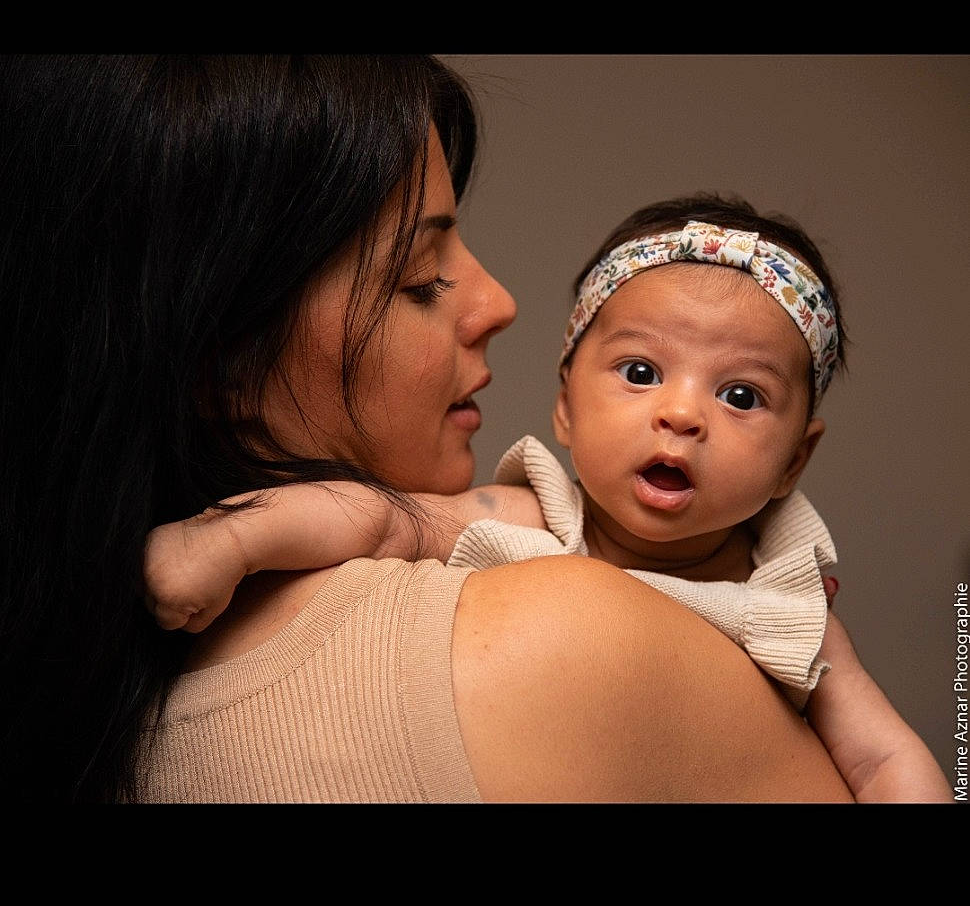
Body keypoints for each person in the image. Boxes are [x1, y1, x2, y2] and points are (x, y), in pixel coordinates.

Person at [144, 188, 951, 804]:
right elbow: (381, 520)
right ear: (564, 406)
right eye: (640, 373)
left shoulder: (789, 604)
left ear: (792, 464)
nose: (681, 413)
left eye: (742, 396)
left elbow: (884, 759)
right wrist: (230, 539)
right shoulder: (537, 518)